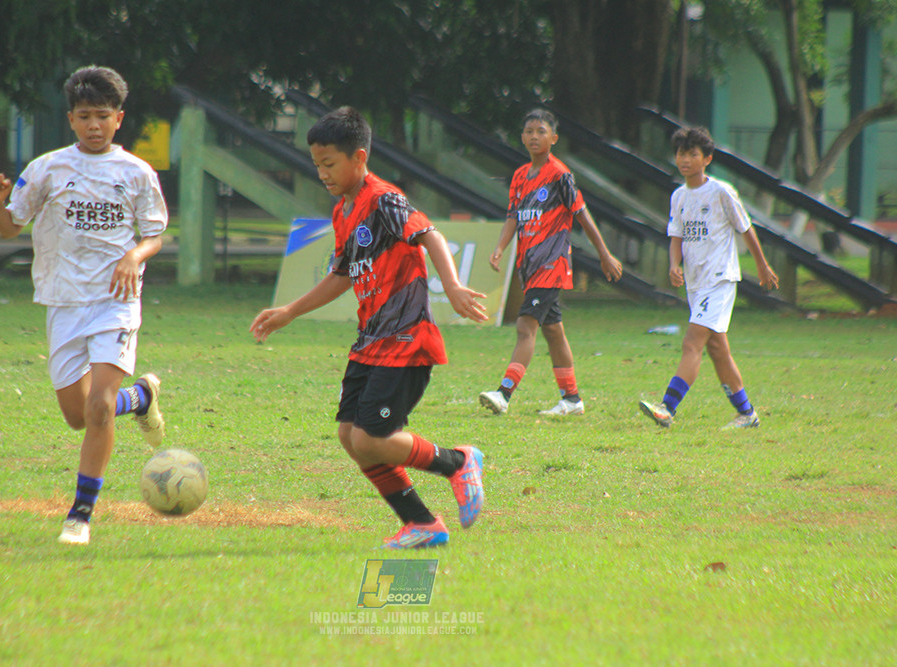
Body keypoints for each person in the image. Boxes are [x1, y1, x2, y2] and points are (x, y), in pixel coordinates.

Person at [250, 106, 488, 548]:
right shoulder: (344, 211)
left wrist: (451, 286)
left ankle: (458, 462)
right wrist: (289, 312)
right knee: (350, 437)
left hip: (406, 339)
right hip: (371, 342)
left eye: (329, 164)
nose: (322, 173)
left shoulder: (384, 199)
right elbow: (342, 275)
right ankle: (421, 523)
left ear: (358, 158)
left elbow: (431, 235)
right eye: (316, 164)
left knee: (372, 437)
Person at [0, 66, 168, 545]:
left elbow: (155, 235)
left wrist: (133, 256)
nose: (94, 126)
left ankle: (80, 515)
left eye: (103, 116)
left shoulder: (136, 172)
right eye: (85, 116)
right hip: (62, 301)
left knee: (101, 408)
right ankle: (142, 397)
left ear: (119, 119)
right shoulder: (46, 169)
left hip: (116, 302)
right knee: (79, 416)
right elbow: (8, 228)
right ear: (70, 119)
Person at [479, 109, 623, 417]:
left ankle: (504, 394)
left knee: (524, 327)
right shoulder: (519, 176)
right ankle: (571, 399)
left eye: (541, 131)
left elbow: (581, 213)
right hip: (528, 266)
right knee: (553, 331)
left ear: (553, 138)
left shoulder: (560, 175)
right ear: (522, 136)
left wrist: (604, 253)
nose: (534, 136)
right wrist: (500, 248)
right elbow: (513, 216)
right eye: (529, 131)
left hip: (551, 264)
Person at [639, 125, 778, 430]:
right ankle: (747, 414)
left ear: (707, 159)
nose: (685, 159)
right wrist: (674, 265)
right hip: (696, 282)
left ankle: (667, 408)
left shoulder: (721, 192)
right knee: (717, 349)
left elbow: (746, 229)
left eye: (692, 154)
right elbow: (676, 235)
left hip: (720, 279)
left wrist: (762, 265)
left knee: (692, 344)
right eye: (680, 153)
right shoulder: (678, 196)